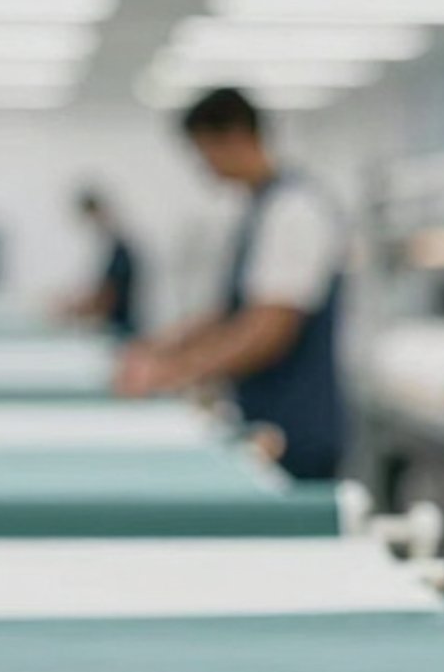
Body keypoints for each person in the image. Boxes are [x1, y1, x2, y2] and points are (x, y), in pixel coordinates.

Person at [116, 86, 344, 481]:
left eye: (204, 152)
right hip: (265, 418)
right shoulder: (259, 208)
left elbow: (267, 330)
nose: (203, 167)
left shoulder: (294, 212)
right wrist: (158, 347)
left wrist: (174, 373)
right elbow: (232, 311)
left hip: (295, 428)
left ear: (236, 138)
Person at [62, 190, 140, 337]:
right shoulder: (111, 250)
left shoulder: (121, 253)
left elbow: (109, 297)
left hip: (121, 329)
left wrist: (74, 308)